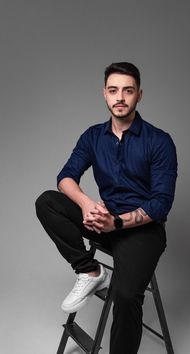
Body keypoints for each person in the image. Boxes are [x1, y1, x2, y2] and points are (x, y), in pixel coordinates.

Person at [35, 62, 177, 354]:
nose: (120, 97)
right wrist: (88, 205)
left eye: (128, 90)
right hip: (103, 222)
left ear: (139, 95)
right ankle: (90, 271)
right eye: (114, 90)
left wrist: (119, 222)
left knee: (126, 297)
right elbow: (66, 177)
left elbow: (161, 204)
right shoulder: (93, 136)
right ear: (105, 94)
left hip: (142, 231)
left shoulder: (160, 141)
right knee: (47, 201)